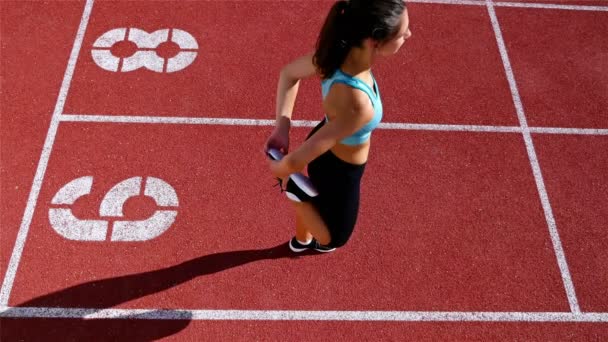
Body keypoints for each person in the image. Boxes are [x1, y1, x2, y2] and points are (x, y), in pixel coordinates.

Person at [265, 0, 412, 253]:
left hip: (329, 141)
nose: (408, 34)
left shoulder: (335, 55)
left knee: (317, 209)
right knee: (334, 239)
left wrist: (282, 127)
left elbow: (289, 73)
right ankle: (297, 193)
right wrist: (281, 171)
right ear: (373, 41)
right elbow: (295, 162)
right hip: (341, 171)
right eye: (401, 34)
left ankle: (301, 241)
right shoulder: (357, 105)